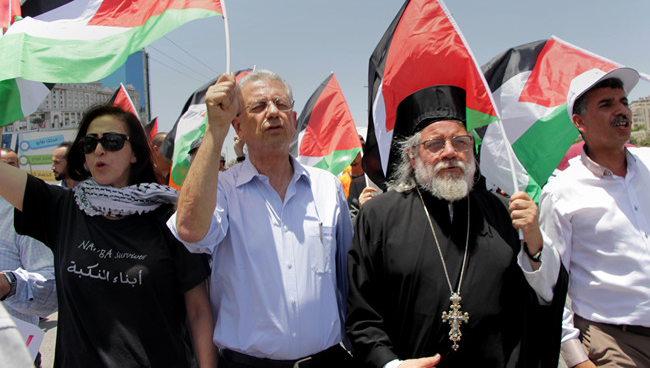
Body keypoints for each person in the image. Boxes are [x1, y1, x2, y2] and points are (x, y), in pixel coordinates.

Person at [346, 86, 567, 368]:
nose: (450, 152)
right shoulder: (378, 216)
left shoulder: (502, 211)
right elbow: (362, 311)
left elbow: (543, 297)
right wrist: (392, 365)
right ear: (413, 156)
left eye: (460, 142)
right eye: (435, 144)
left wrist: (535, 243)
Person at [0, 105, 216, 367]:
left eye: (112, 141)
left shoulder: (170, 218)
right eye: (89, 143)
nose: (99, 150)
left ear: (135, 152)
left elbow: (198, 312)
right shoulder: (63, 208)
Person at [169, 70, 355, 367]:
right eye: (258, 106)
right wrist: (215, 129)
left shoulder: (327, 187)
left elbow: (348, 276)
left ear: (293, 121)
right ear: (238, 127)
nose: (272, 112)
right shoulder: (222, 190)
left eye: (281, 104)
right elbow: (190, 230)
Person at [539, 67, 650, 367]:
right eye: (607, 104)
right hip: (616, 344)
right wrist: (576, 359)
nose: (621, 110)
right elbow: (551, 284)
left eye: (623, 102)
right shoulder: (562, 191)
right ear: (580, 122)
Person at [1, 148, 56, 367]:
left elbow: (50, 291)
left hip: (13, 353)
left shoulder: (21, 212)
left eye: (9, 165)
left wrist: (9, 285)